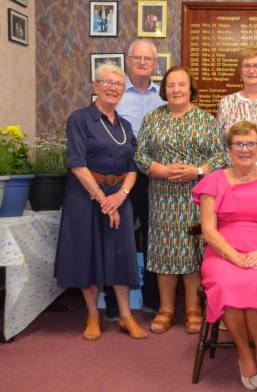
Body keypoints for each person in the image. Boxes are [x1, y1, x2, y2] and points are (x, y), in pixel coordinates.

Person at [54, 64, 147, 341]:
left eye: (118, 84)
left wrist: (121, 197)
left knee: (122, 255)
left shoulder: (125, 125)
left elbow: (134, 165)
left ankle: (125, 316)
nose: (113, 88)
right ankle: (93, 315)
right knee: (88, 255)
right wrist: (103, 199)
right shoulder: (80, 119)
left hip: (119, 196)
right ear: (95, 86)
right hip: (85, 196)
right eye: (107, 82)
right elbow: (77, 164)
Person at [192, 121, 257, 391]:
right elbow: (209, 230)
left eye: (251, 144)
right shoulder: (213, 180)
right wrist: (234, 257)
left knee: (255, 283)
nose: (245, 149)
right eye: (239, 144)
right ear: (229, 148)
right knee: (227, 284)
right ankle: (245, 354)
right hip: (223, 252)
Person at [135, 66, 228, 335]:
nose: (176, 89)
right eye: (171, 85)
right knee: (164, 253)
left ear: (191, 89)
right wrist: (161, 170)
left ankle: (193, 309)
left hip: (196, 197)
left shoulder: (205, 120)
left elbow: (221, 157)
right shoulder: (152, 119)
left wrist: (196, 171)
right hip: (162, 196)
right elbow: (140, 156)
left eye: (182, 84)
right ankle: (166, 310)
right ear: (164, 90)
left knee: (191, 252)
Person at [103, 39, 165, 319]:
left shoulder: (163, 98)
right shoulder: (115, 94)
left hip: (155, 176)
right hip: (121, 177)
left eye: (148, 59)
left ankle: (153, 298)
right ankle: (114, 304)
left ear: (155, 64)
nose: (142, 62)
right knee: (117, 237)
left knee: (154, 236)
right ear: (128, 61)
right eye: (137, 58)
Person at [217, 45, 257, 135]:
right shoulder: (227, 103)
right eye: (246, 66)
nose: (251, 71)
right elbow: (219, 141)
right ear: (241, 72)